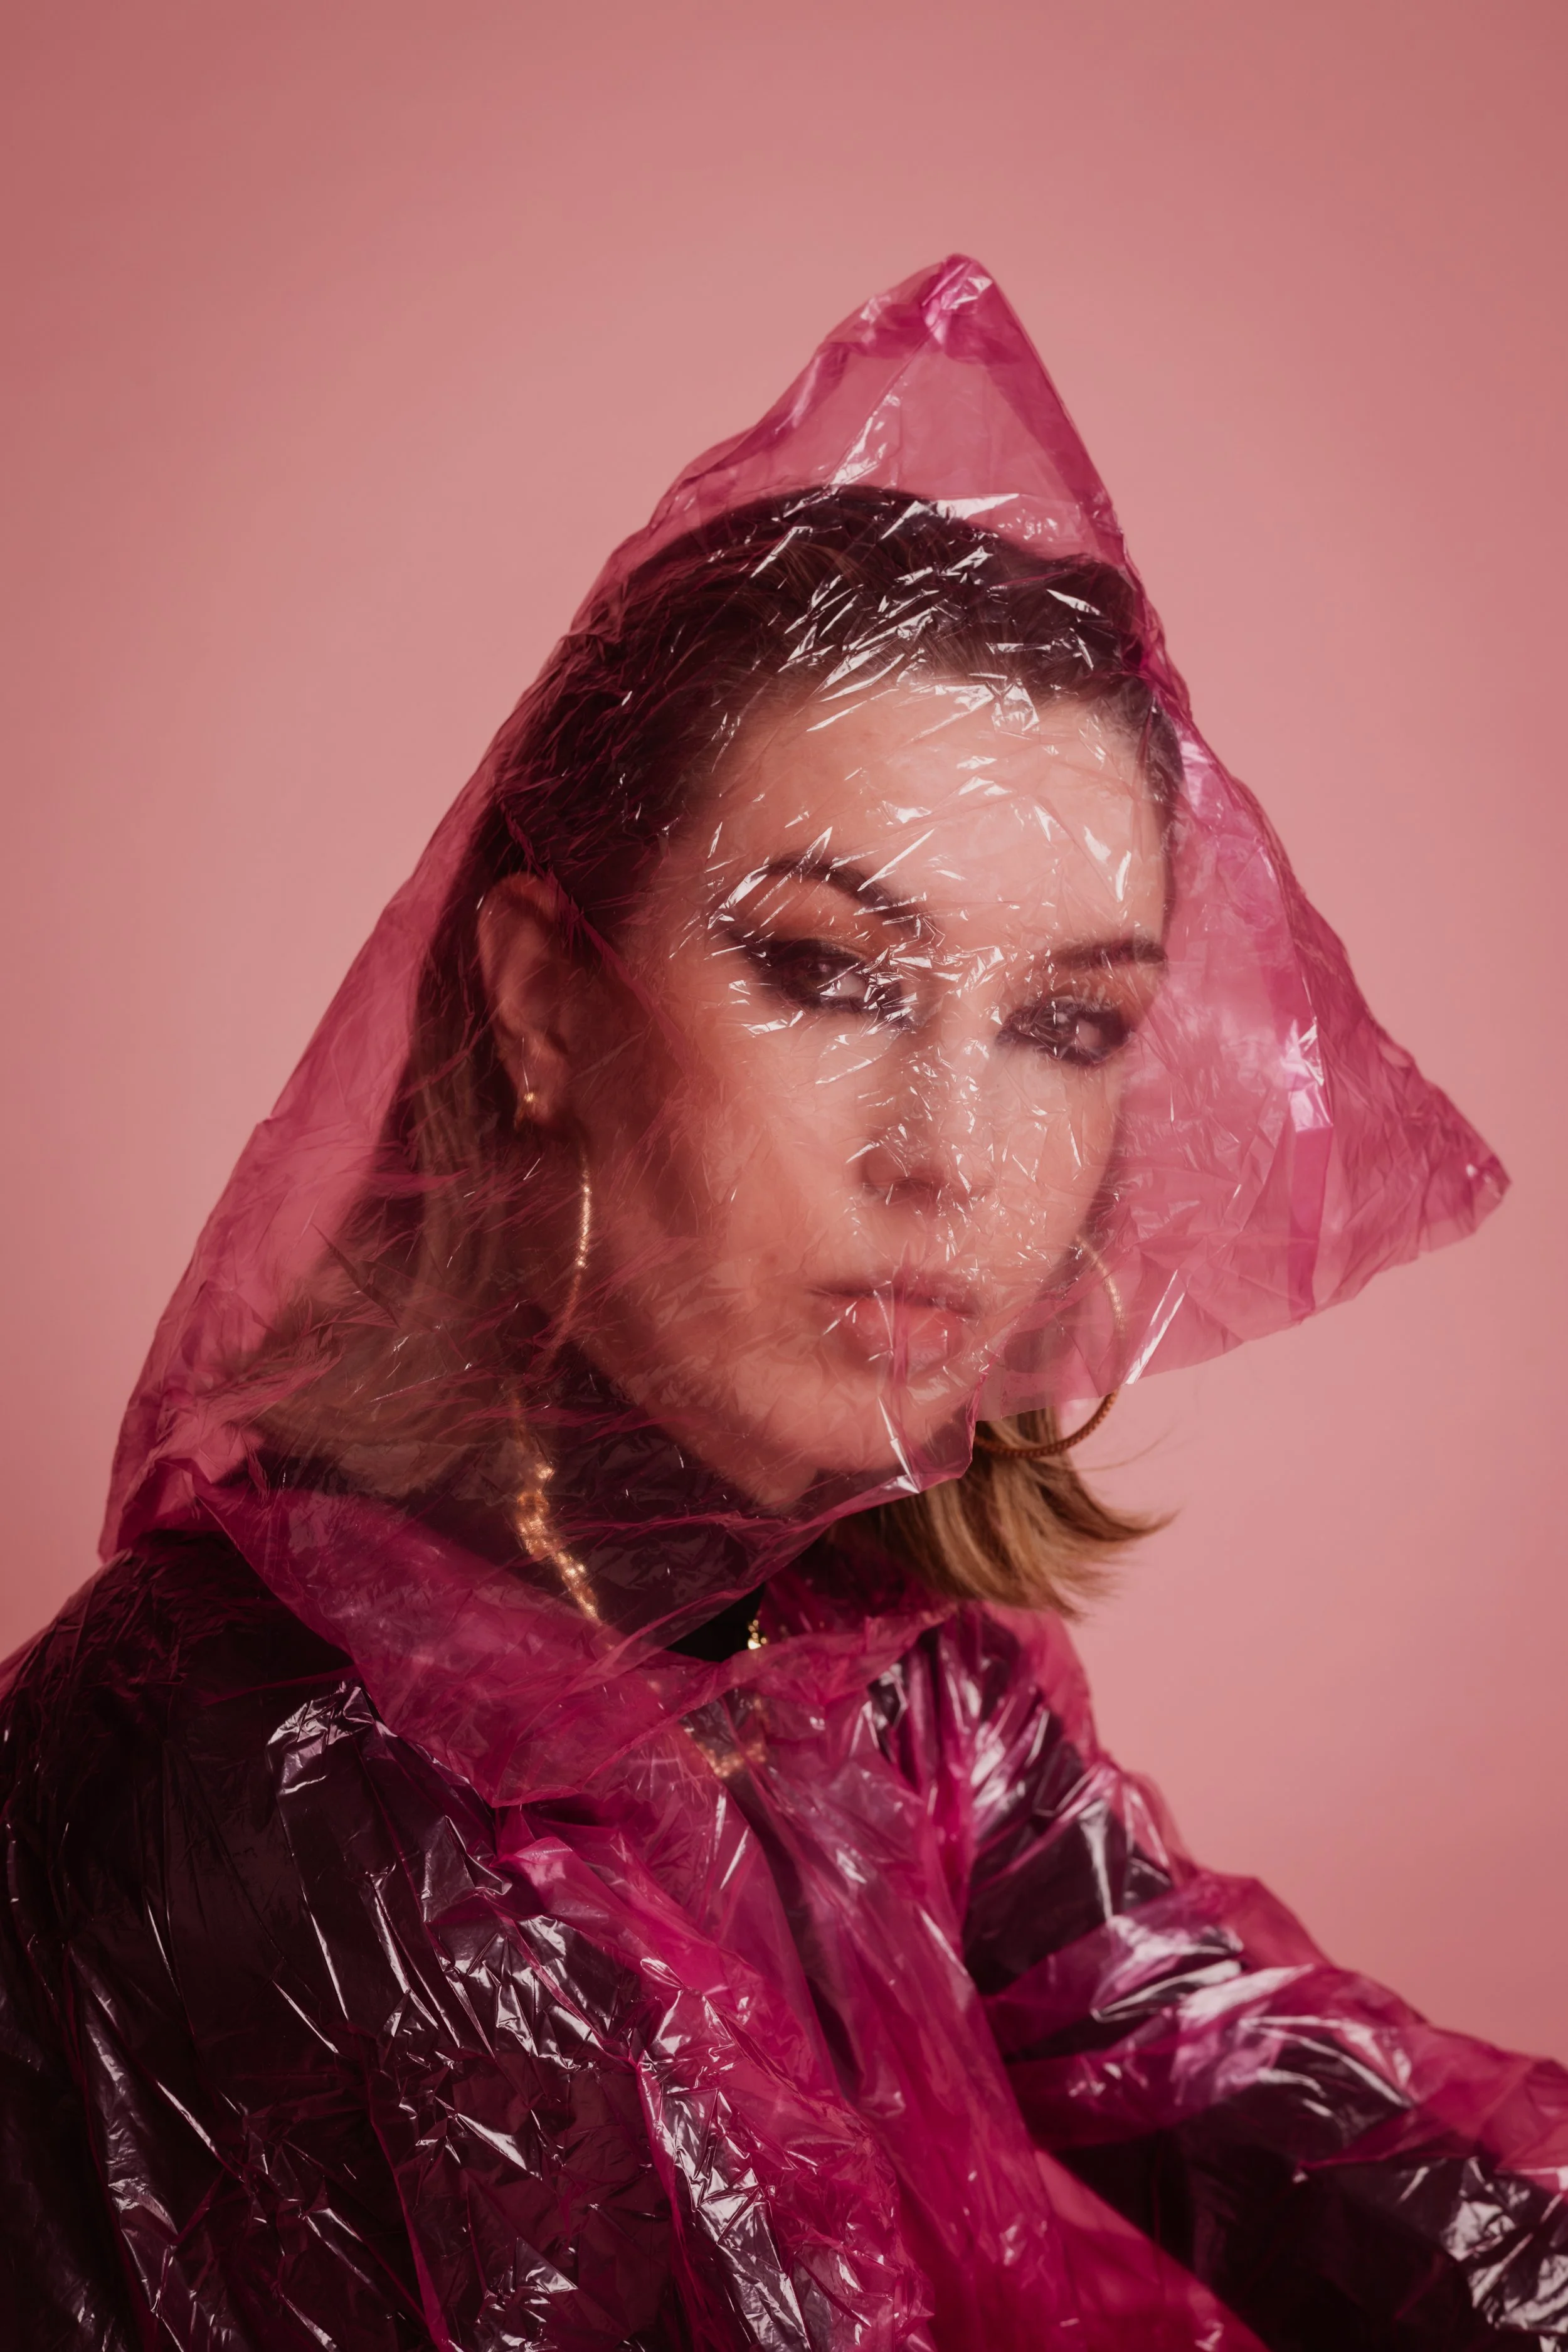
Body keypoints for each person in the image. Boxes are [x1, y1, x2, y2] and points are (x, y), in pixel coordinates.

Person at [2, 257, 1562, 2352]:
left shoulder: (864, 1671)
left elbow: (1280, 2102)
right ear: (545, 1002)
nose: (954, 1149)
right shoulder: (249, 1779)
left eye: (1068, 1022)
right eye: (828, 973)